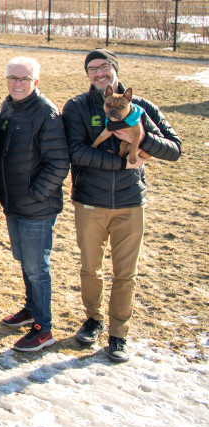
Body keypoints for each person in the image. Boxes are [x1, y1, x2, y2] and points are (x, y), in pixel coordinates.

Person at [63, 49, 181, 363]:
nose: (99, 73)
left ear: (115, 69)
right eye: (92, 69)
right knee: (90, 269)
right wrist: (124, 165)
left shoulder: (142, 108)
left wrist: (141, 141)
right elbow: (76, 151)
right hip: (90, 201)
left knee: (125, 274)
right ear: (88, 74)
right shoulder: (77, 107)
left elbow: (175, 149)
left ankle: (119, 334)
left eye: (104, 67)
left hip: (130, 202)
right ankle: (93, 319)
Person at [0, 57, 69, 352]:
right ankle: (30, 309)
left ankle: (44, 327)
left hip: (36, 207)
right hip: (13, 203)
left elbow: (58, 163)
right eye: (12, 78)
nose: (17, 84)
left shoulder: (46, 114)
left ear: (35, 82)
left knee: (37, 267)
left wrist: (34, 194)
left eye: (23, 79)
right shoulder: (8, 107)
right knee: (24, 261)